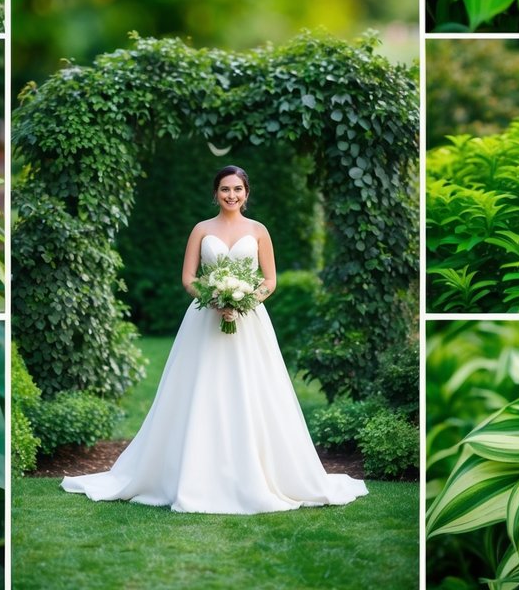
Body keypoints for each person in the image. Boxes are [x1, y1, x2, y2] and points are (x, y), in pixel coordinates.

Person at [61, 165, 368, 513]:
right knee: (200, 389)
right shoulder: (201, 229)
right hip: (204, 320)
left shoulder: (259, 231)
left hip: (249, 322)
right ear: (216, 193)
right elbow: (188, 278)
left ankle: (258, 472)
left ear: (246, 193)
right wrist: (214, 297)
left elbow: (270, 280)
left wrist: (245, 299)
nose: (231, 195)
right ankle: (193, 472)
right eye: (225, 189)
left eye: (237, 189)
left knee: (253, 390)